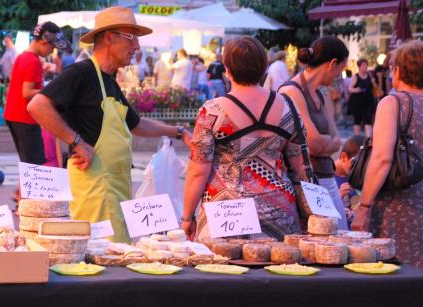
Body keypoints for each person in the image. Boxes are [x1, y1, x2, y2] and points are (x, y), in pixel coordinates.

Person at [27, 7, 192, 243]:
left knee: (117, 256)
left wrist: (178, 131)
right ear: (109, 37)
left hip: (117, 189)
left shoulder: (110, 82)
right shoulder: (81, 73)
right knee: (100, 261)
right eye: (131, 37)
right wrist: (76, 142)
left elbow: (136, 124)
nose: (137, 46)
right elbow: (37, 105)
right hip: (94, 190)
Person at [182, 36, 302, 241]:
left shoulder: (213, 111)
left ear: (227, 70)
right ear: (264, 68)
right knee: (280, 270)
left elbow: (197, 172)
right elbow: (300, 167)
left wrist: (187, 217)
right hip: (280, 212)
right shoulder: (289, 108)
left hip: (225, 214)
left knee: (222, 271)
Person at [352, 40, 423, 268]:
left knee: (395, 279)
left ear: (398, 71)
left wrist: (364, 207)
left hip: (400, 208)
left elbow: (382, 159)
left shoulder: (393, 103)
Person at [279, 36, 349, 230]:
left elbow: (334, 142)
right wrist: (326, 142)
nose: (339, 76)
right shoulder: (292, 91)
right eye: (341, 70)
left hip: (325, 177)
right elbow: (315, 142)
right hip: (308, 184)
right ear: (332, 64)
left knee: (338, 236)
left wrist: (324, 143)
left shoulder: (319, 93)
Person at [4, 21, 70, 167]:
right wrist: (52, 90)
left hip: (13, 115)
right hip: (25, 118)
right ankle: (28, 190)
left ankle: (23, 189)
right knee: (35, 165)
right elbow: (27, 92)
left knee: (27, 162)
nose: (52, 51)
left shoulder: (23, 57)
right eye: (52, 47)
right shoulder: (33, 61)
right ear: (44, 42)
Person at [334, 135, 364, 224]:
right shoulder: (326, 179)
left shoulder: (357, 177)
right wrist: (339, 196)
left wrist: (352, 214)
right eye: (356, 165)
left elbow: (356, 205)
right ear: (344, 157)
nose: (360, 170)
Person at [348, 58, 379, 137]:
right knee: (357, 120)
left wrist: (374, 82)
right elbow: (350, 88)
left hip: (368, 101)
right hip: (357, 101)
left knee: (368, 119)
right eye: (363, 65)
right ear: (359, 66)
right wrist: (356, 90)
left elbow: (375, 88)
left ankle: (369, 139)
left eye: (366, 65)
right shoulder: (355, 76)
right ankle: (357, 138)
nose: (365, 67)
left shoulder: (370, 75)